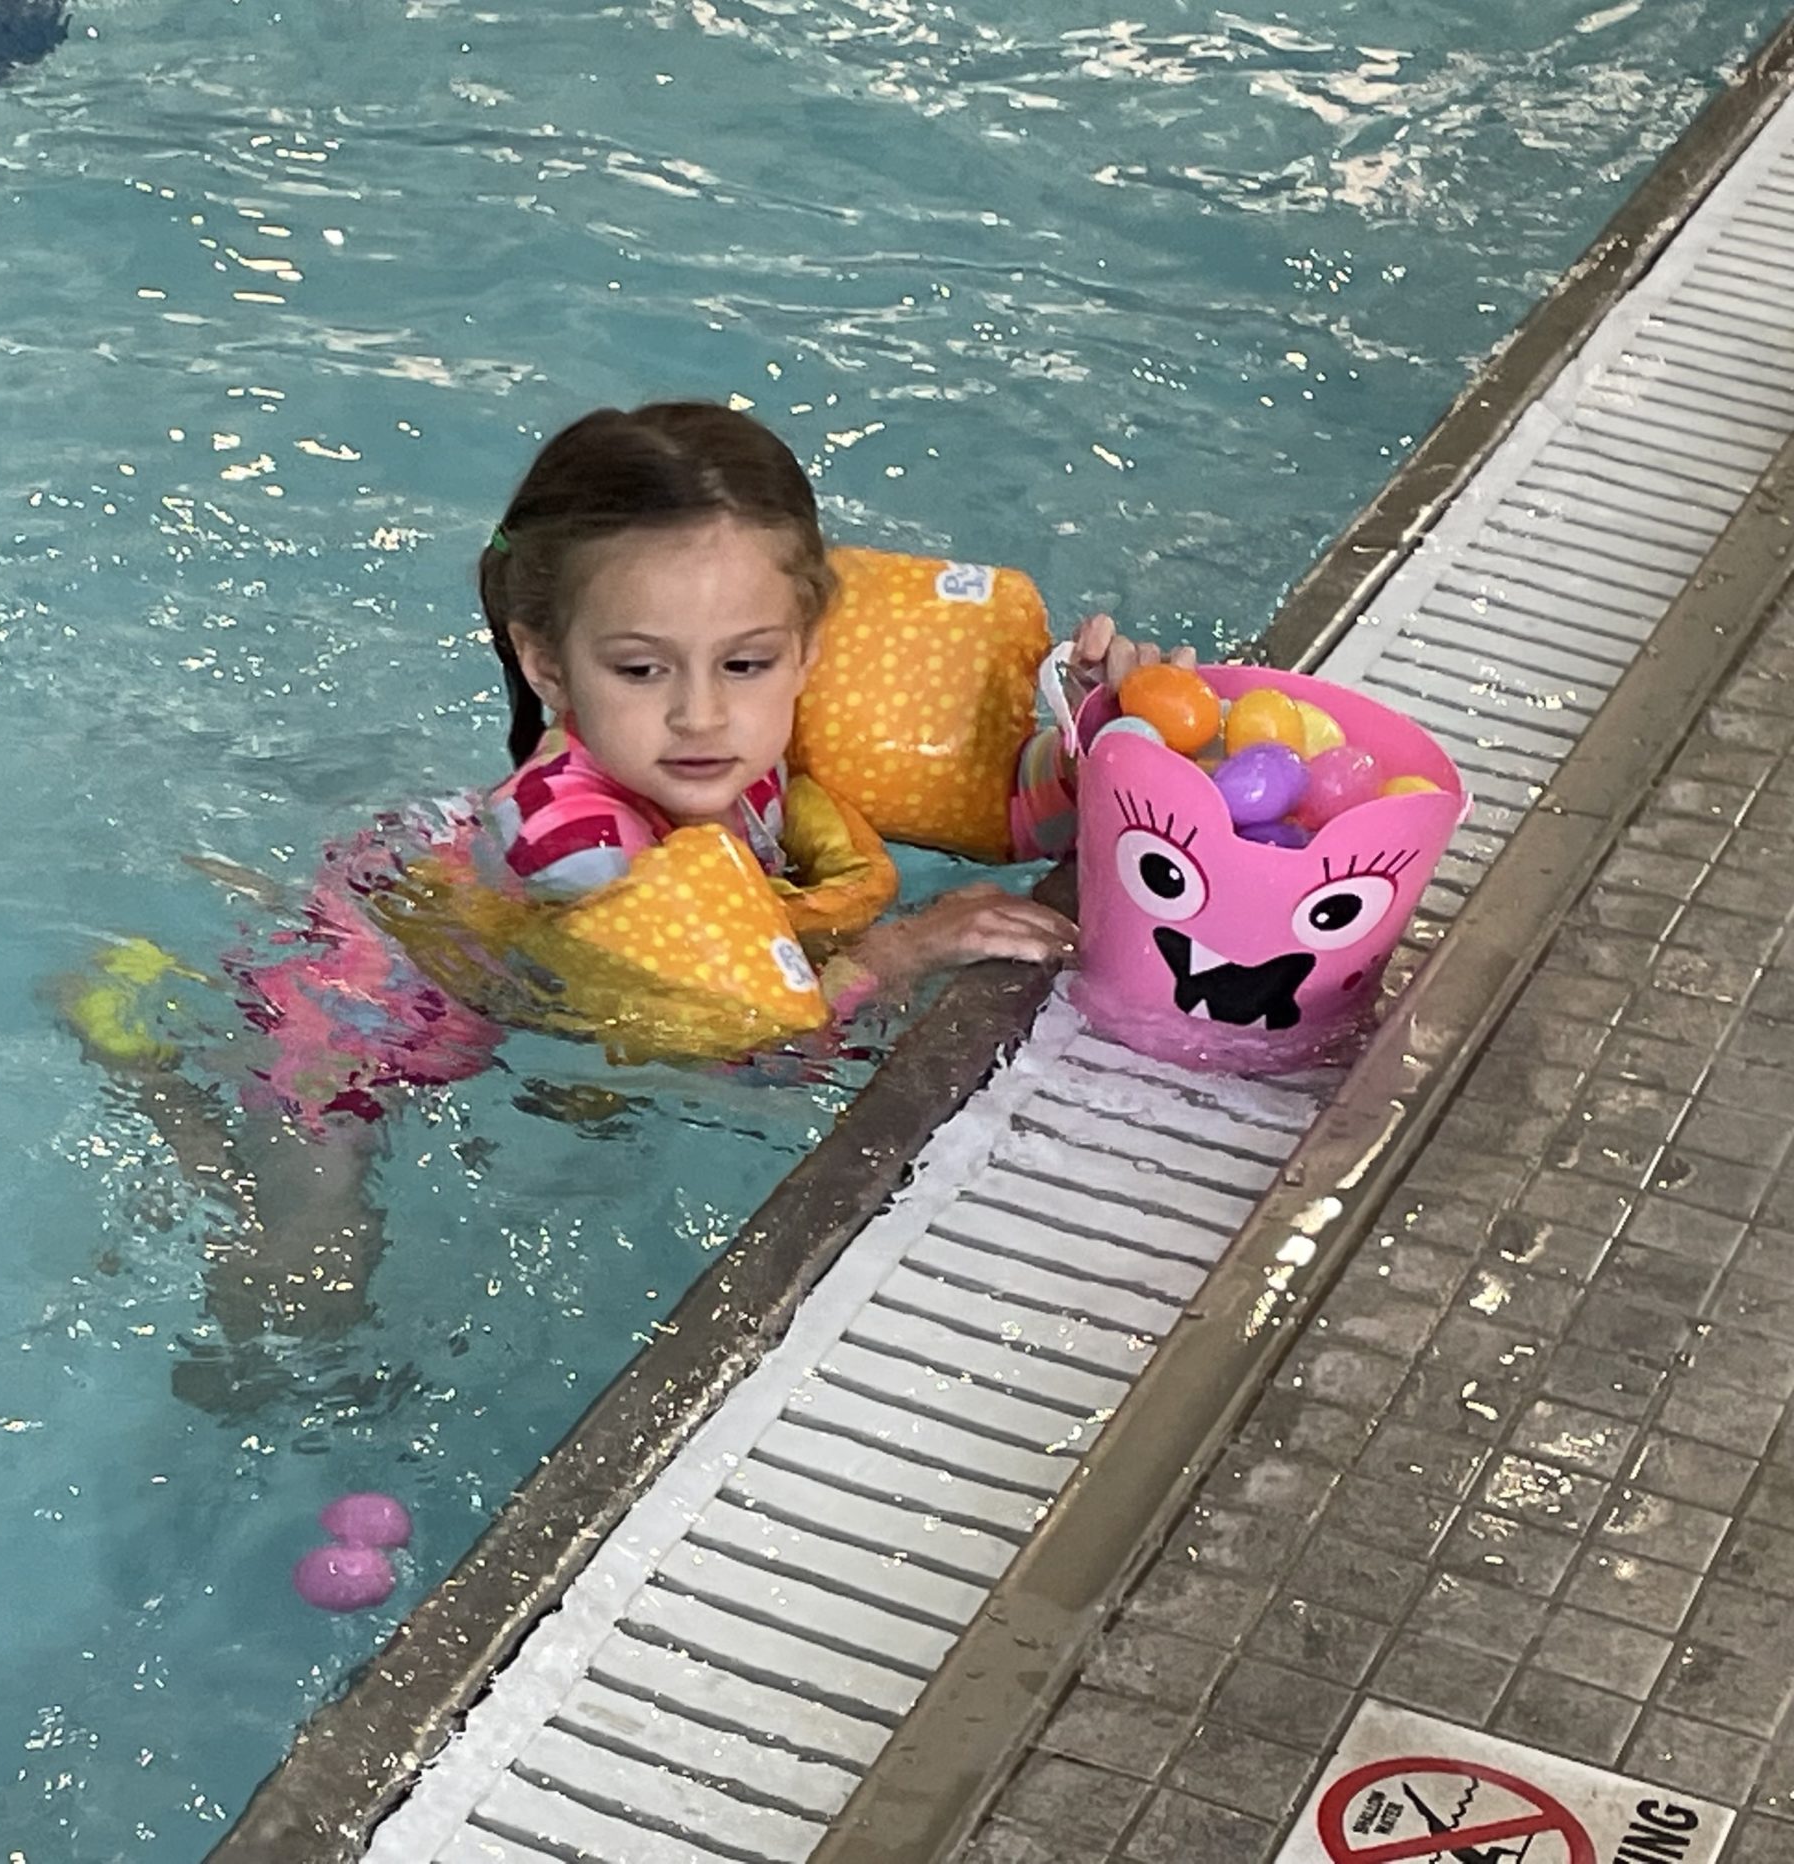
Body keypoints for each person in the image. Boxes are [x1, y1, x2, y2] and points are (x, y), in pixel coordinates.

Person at [76, 400, 1188, 1402]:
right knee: (313, 1264)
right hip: (379, 993)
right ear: (548, 667)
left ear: (805, 648)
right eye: (642, 671)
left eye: (744, 663)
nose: (702, 717)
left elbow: (1029, 813)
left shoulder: (748, 751)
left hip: (490, 936)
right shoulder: (573, 846)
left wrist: (1107, 730)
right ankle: (159, 1074)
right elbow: (732, 1051)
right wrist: (898, 954)